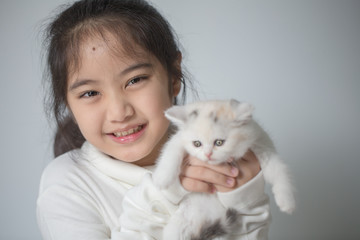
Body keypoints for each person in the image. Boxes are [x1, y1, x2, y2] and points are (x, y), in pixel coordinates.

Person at [36, 0, 271, 239]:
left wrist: (245, 200)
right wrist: (166, 190)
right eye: (90, 93)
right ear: (68, 103)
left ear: (174, 77)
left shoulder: (214, 155)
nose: (119, 113)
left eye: (135, 80)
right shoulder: (67, 184)